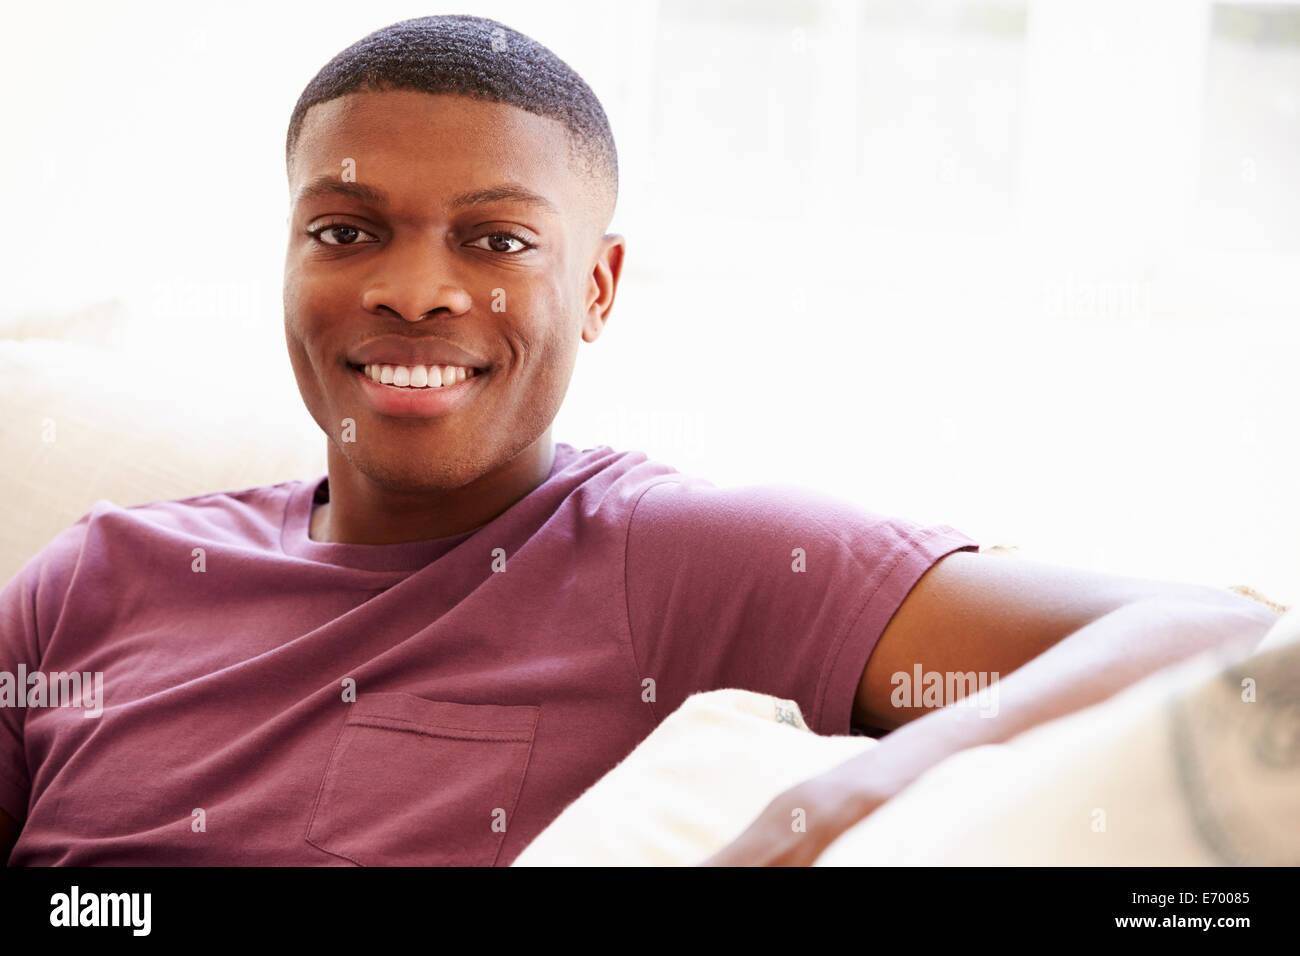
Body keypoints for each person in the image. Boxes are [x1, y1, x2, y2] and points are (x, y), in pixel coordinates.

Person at [0, 15, 1278, 867]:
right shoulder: (100, 573)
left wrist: (857, 796)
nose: (415, 290)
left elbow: (1221, 635)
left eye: (496, 240)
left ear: (599, 289)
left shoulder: (678, 557)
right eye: (346, 231)